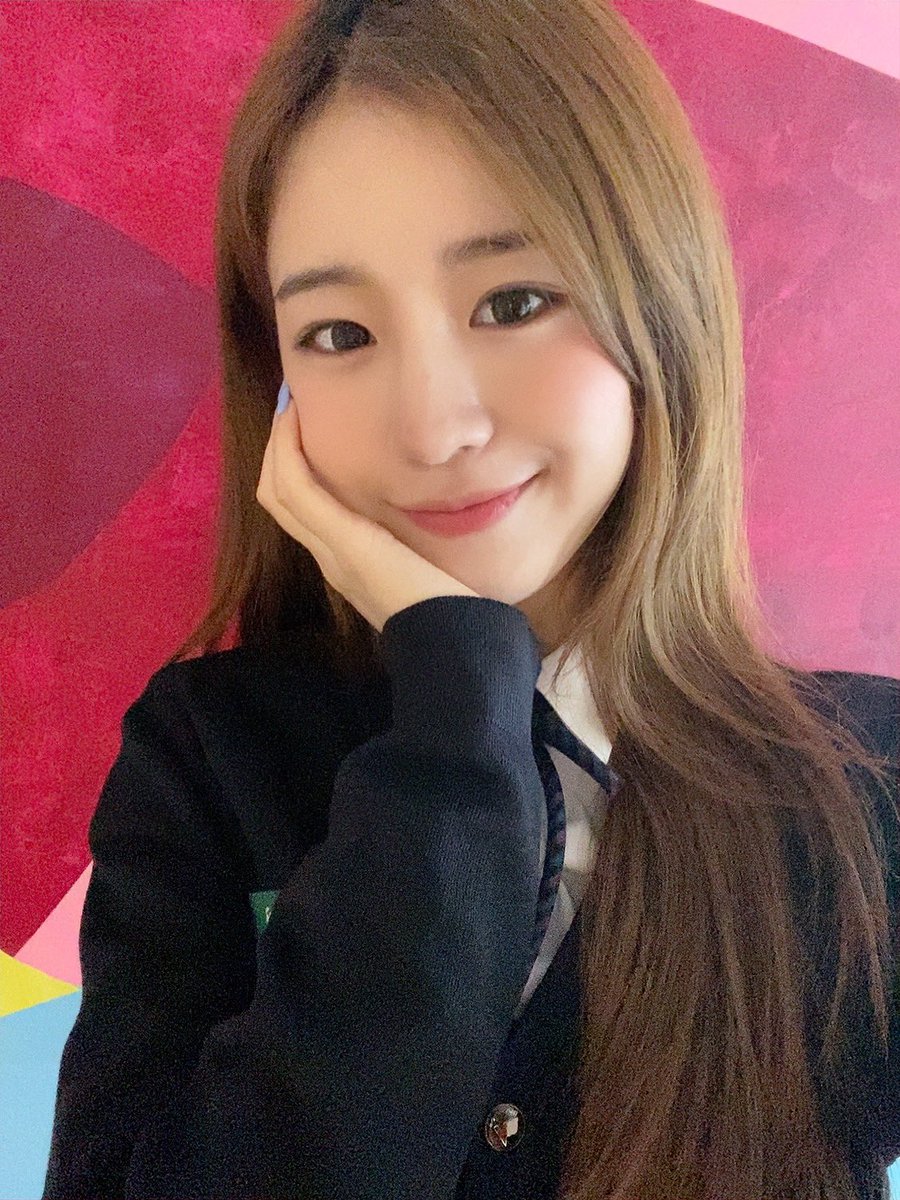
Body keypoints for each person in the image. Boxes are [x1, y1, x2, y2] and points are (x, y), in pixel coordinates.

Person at [41, 0, 899, 1197]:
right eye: (340, 332)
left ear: (656, 301)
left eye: (512, 302)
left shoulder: (866, 783)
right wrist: (456, 710)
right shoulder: (208, 758)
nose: (436, 426)